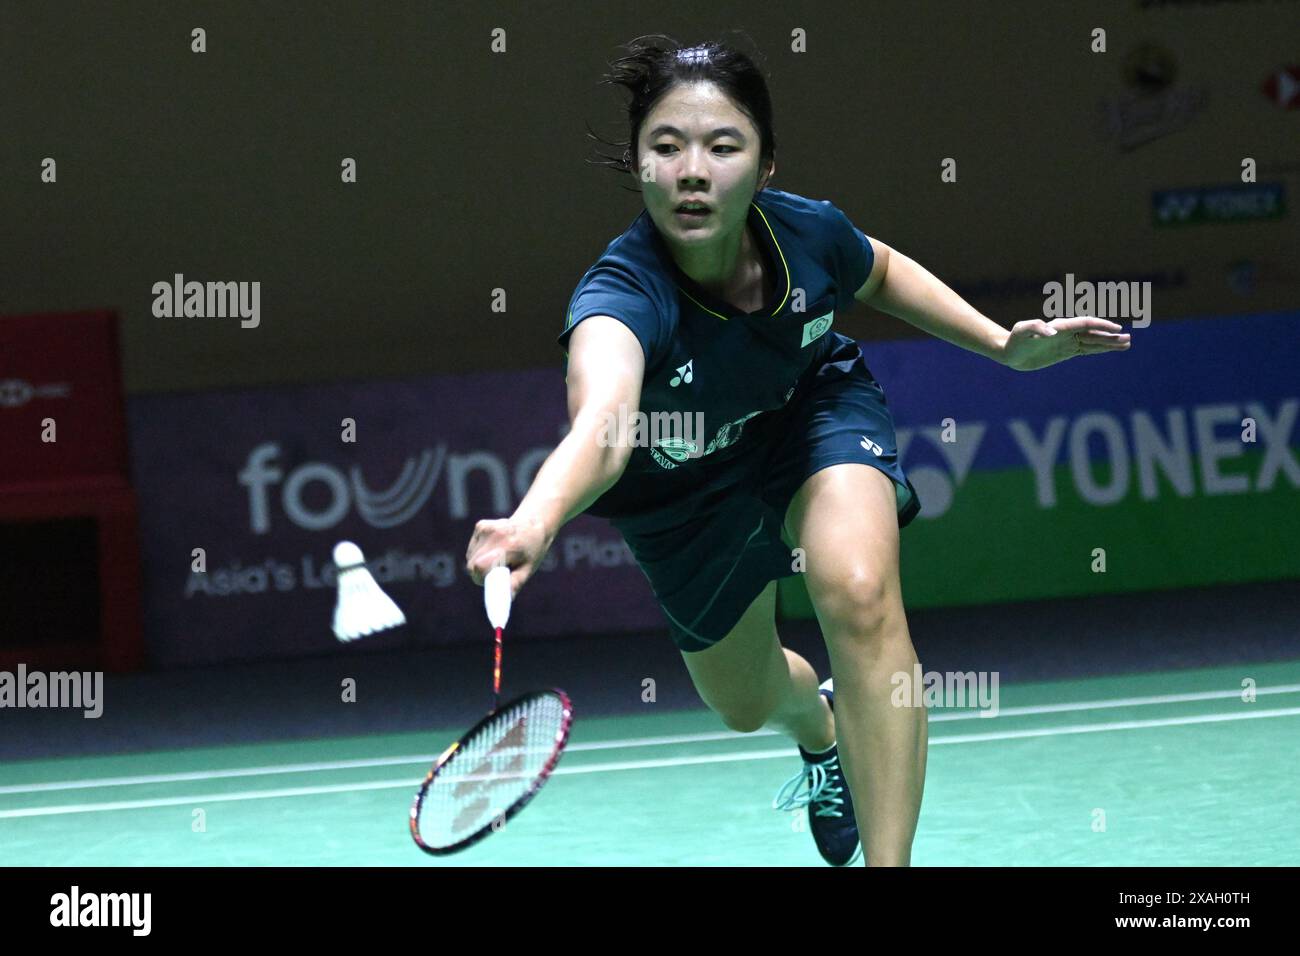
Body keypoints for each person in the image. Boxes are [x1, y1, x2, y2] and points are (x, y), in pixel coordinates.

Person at [464, 35, 1131, 866]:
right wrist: (535, 520)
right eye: (665, 148)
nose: (693, 171)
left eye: (723, 146)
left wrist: (1002, 345)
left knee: (856, 592)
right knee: (743, 703)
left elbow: (878, 270)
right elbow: (603, 424)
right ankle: (819, 728)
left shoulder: (806, 234)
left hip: (808, 414)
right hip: (681, 493)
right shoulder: (618, 298)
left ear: (766, 165)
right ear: (638, 166)